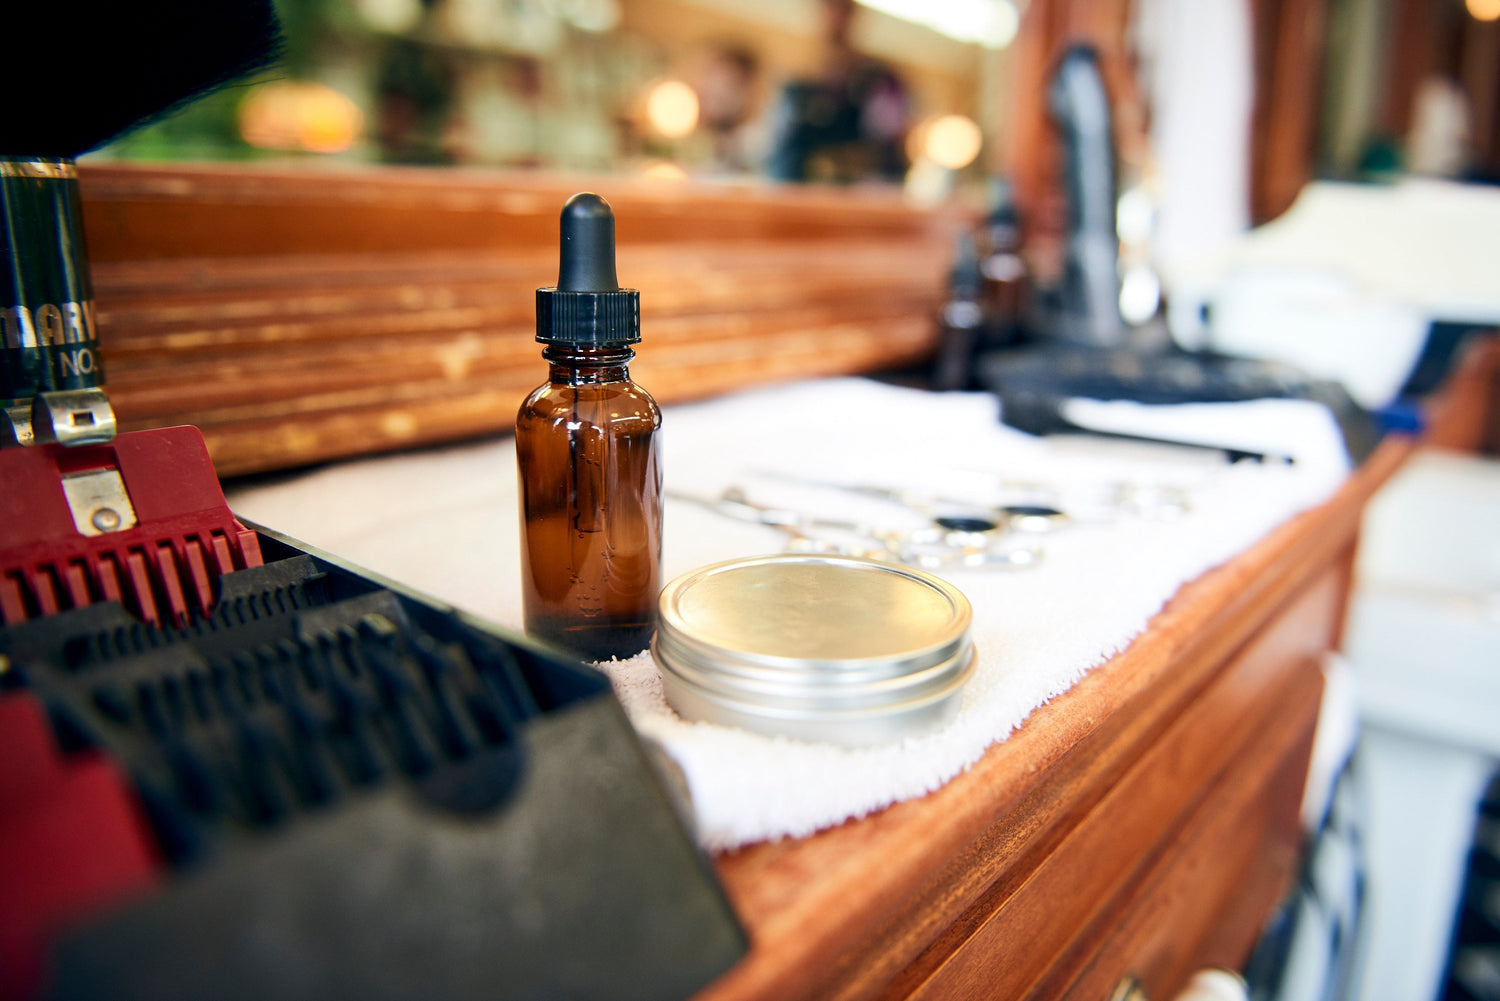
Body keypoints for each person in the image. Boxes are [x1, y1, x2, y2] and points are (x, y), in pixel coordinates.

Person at [764, 0, 911, 183]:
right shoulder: (795, 85)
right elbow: (775, 150)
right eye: (828, 9)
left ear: (854, 17)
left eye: (841, 10)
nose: (833, 19)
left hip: (854, 199)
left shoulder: (879, 83)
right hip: (795, 196)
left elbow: (889, 151)